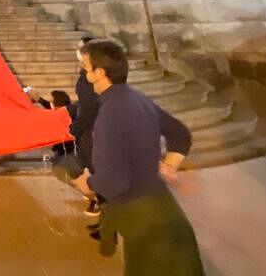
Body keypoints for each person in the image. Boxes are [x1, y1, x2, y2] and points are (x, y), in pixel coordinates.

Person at [72, 39, 204, 275]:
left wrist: (88, 184)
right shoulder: (136, 97)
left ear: (99, 73)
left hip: (145, 222)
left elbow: (114, 181)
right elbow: (180, 134)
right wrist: (167, 166)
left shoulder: (109, 114)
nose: (83, 71)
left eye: (85, 66)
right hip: (164, 208)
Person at [70, 35, 102, 217]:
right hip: (90, 125)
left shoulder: (90, 78)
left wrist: (74, 130)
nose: (78, 53)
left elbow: (89, 107)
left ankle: (98, 201)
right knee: (88, 163)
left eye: (82, 49)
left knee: (91, 164)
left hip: (91, 128)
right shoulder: (86, 75)